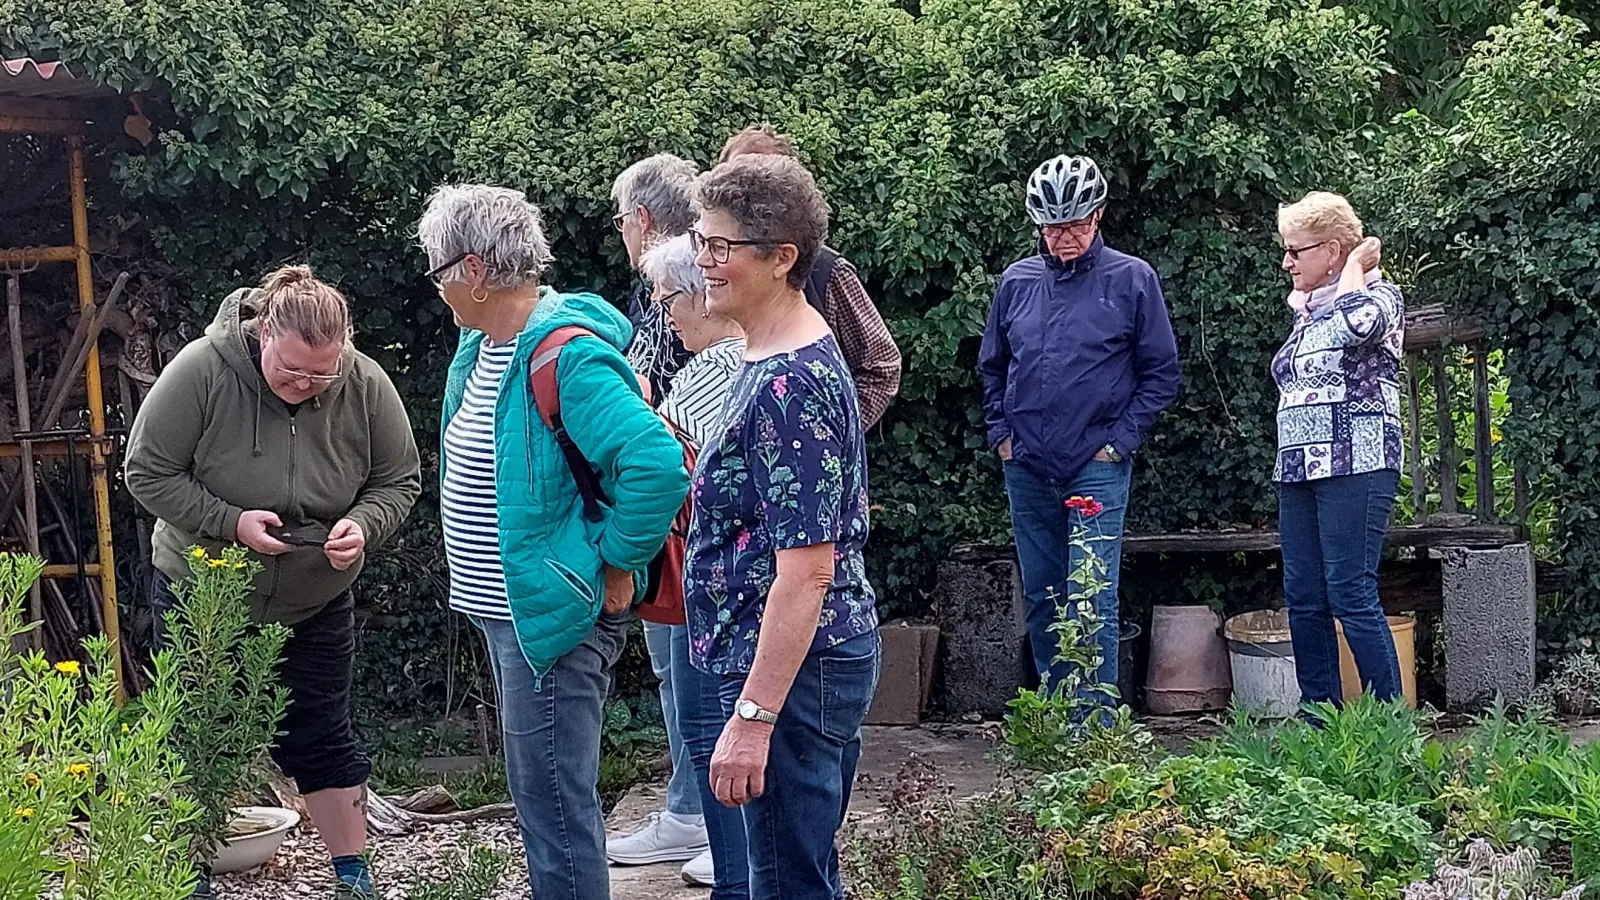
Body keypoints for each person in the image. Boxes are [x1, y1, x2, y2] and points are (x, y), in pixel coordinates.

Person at [420, 184, 688, 900]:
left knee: (556, 810)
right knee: (540, 797)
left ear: (473, 269)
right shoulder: (481, 346)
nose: (438, 285)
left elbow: (657, 465)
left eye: (440, 268)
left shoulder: (564, 357)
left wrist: (617, 562)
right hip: (512, 612)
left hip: (555, 618)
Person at [126, 265, 421, 900]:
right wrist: (228, 522)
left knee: (323, 730)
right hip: (203, 589)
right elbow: (145, 470)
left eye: (322, 374)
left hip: (317, 595)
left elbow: (400, 479)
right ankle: (187, 875)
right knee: (191, 730)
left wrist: (363, 526)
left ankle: (354, 877)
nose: (306, 384)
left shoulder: (365, 383)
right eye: (291, 369)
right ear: (262, 335)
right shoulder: (202, 370)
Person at [685, 153, 880, 900]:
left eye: (720, 246)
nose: (705, 259)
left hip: (797, 672)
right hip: (793, 663)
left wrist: (754, 719)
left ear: (782, 258)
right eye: (702, 240)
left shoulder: (792, 381)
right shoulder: (765, 352)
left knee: (790, 884)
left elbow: (807, 570)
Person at [978, 154, 1181, 697]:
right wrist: (1002, 436)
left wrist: (1119, 444)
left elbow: (1161, 373)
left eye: (1073, 224)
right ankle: (1054, 714)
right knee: (1044, 594)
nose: (1062, 237)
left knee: (1091, 593)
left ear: (1098, 216)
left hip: (1096, 464)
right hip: (1026, 465)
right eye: (1051, 226)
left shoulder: (1133, 279)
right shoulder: (1016, 283)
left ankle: (1092, 726)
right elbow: (992, 366)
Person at [605, 152, 717, 878]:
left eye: (619, 219)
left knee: (700, 673)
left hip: (697, 523)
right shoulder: (667, 288)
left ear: (640, 218)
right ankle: (687, 810)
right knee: (677, 672)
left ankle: (713, 821)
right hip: (672, 524)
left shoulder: (688, 284)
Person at [632, 234, 748, 894]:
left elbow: (674, 471)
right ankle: (720, 840)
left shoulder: (725, 366)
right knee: (700, 715)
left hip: (711, 582)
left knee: (710, 719)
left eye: (669, 297)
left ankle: (729, 848)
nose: (663, 312)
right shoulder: (716, 363)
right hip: (699, 579)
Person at [1273, 191, 1405, 706]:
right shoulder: (1306, 312)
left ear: (1331, 252)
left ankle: (1389, 726)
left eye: (1296, 251)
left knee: (1350, 592)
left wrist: (1354, 269)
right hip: (1299, 467)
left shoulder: (1379, 298)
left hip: (1358, 462)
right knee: (1304, 599)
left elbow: (1360, 325)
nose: (1287, 262)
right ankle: (1319, 721)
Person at [718, 125, 902, 428]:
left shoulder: (825, 270)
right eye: (735, 180)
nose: (746, 196)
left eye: (762, 184)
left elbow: (881, 364)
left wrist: (834, 430)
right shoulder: (704, 264)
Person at [613, 152, 702, 403]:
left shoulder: (683, 289)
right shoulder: (656, 288)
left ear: (642, 218)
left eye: (623, 221)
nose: (623, 233)